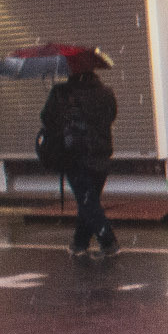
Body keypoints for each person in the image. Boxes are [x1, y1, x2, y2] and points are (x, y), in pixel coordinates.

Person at [41, 61, 119, 257]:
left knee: (88, 202)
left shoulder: (63, 92)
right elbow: (111, 116)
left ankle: (108, 242)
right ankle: (79, 243)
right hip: (101, 155)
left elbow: (46, 118)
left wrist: (55, 95)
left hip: (75, 156)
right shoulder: (106, 93)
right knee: (89, 200)